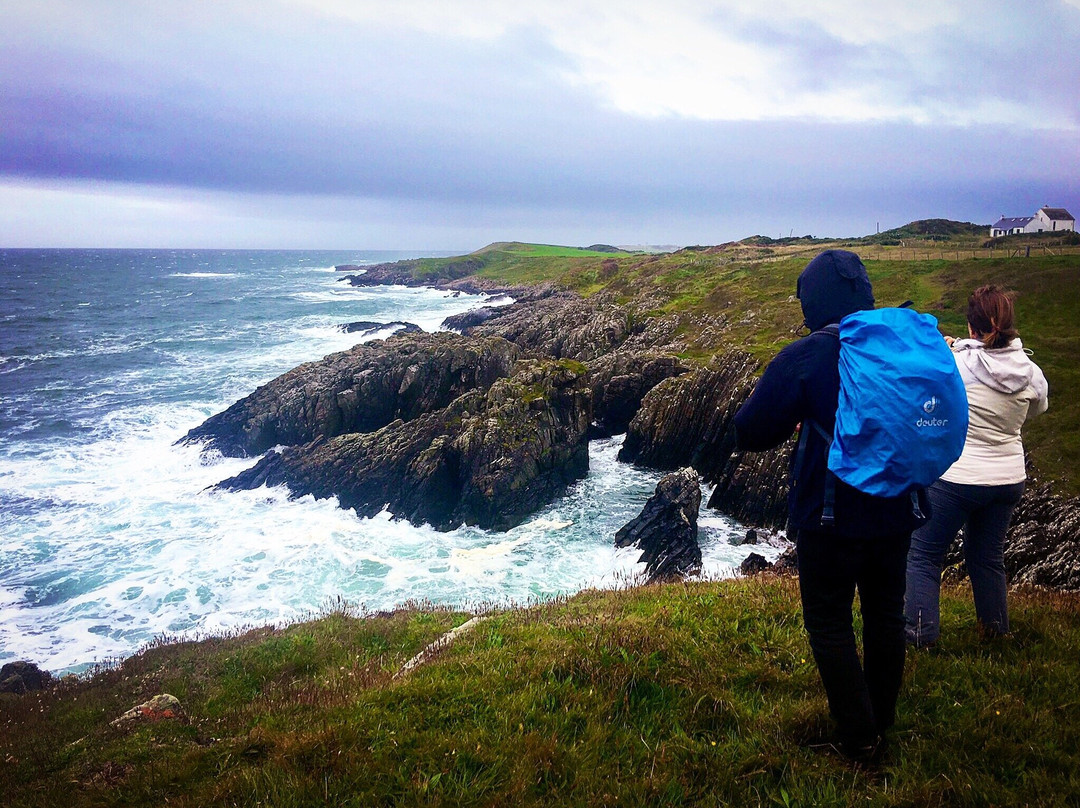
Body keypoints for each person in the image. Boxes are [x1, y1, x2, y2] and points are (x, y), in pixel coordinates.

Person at [733, 249, 928, 764]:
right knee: (885, 615)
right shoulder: (900, 346)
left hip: (831, 515)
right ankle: (880, 721)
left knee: (830, 622)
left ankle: (861, 740)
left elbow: (749, 430)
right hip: (896, 507)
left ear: (813, 300)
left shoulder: (809, 355)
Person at [905, 285, 1048, 647]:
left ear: (971, 327)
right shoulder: (1030, 372)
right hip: (1008, 477)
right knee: (986, 557)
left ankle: (920, 635)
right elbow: (1037, 409)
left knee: (923, 552)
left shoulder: (956, 364)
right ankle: (995, 631)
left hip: (959, 478)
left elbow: (928, 398)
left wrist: (952, 350)